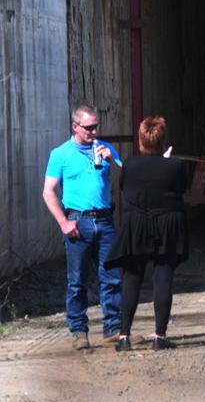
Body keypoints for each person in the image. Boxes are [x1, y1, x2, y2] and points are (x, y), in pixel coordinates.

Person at [43, 104, 122, 350]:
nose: (94, 132)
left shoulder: (106, 148)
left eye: (96, 126)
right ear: (75, 126)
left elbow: (128, 178)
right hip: (78, 221)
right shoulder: (60, 154)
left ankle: (113, 327)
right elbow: (48, 192)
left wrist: (113, 161)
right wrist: (63, 222)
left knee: (111, 276)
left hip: (105, 220)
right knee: (77, 280)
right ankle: (78, 331)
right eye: (88, 128)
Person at [104, 117, 187, 351]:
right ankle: (160, 336)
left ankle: (123, 337)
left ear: (141, 141)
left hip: (137, 224)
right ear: (163, 141)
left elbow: (126, 187)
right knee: (163, 278)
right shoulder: (176, 165)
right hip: (167, 225)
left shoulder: (129, 165)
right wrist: (166, 163)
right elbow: (181, 188)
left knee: (131, 278)